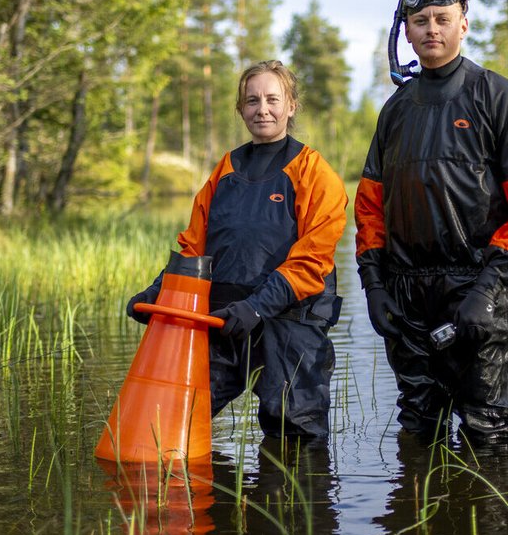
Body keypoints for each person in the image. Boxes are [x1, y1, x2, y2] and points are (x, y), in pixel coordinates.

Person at [355, 0, 508, 440]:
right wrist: (374, 287)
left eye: (443, 19)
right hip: (406, 297)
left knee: (488, 432)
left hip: (477, 292)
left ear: (464, 24)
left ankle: (486, 512)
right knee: (418, 429)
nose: (431, 29)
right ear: (406, 32)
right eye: (420, 21)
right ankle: (416, 511)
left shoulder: (499, 98)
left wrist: (487, 288)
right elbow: (369, 209)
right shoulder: (396, 110)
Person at [127, 60, 347, 439]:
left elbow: (312, 262)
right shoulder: (225, 168)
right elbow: (194, 245)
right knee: (175, 420)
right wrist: (157, 292)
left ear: (291, 106)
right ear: (241, 109)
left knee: (294, 433)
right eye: (252, 100)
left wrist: (258, 306)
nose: (262, 108)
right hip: (225, 318)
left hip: (290, 322)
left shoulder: (315, 172)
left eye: (273, 99)